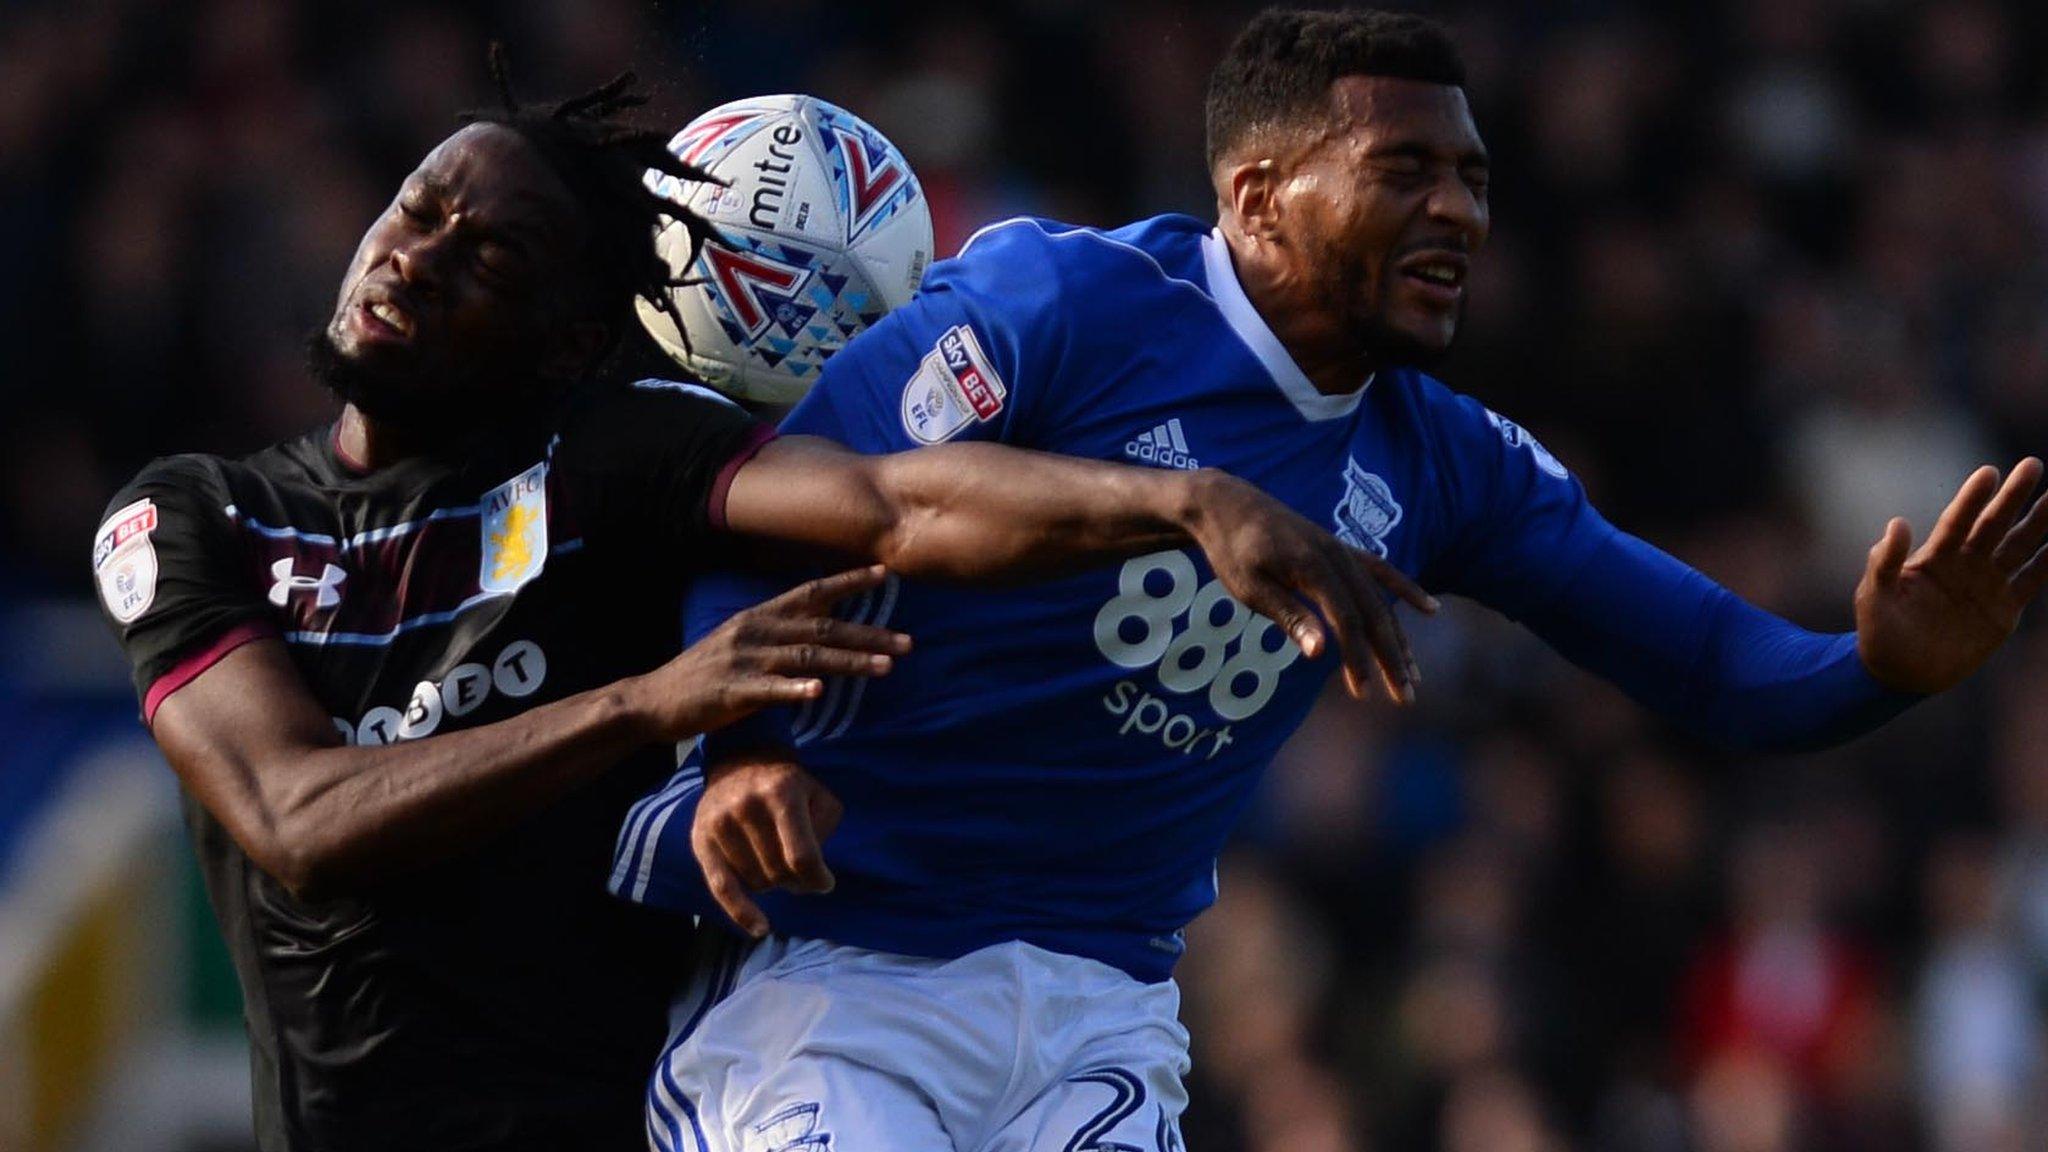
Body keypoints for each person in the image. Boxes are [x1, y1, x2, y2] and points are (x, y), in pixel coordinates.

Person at [620, 9, 2048, 1151]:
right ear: (1259, 194)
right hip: (843, 971)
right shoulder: (1060, 305)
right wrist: (740, 755)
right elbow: (787, 508)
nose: (1461, 216)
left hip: (1097, 1017)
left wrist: (1878, 674)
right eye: (1406, 173)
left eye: (1475, 179)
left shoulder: (1446, 465)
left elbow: (1726, 670)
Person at [88, 57, 1421, 1152]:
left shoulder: (617, 459)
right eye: (420, 207)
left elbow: (898, 504)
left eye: (486, 255)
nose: (416, 257)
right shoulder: (199, 516)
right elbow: (294, 816)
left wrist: (1176, 504)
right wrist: (648, 708)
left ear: (565, 348)